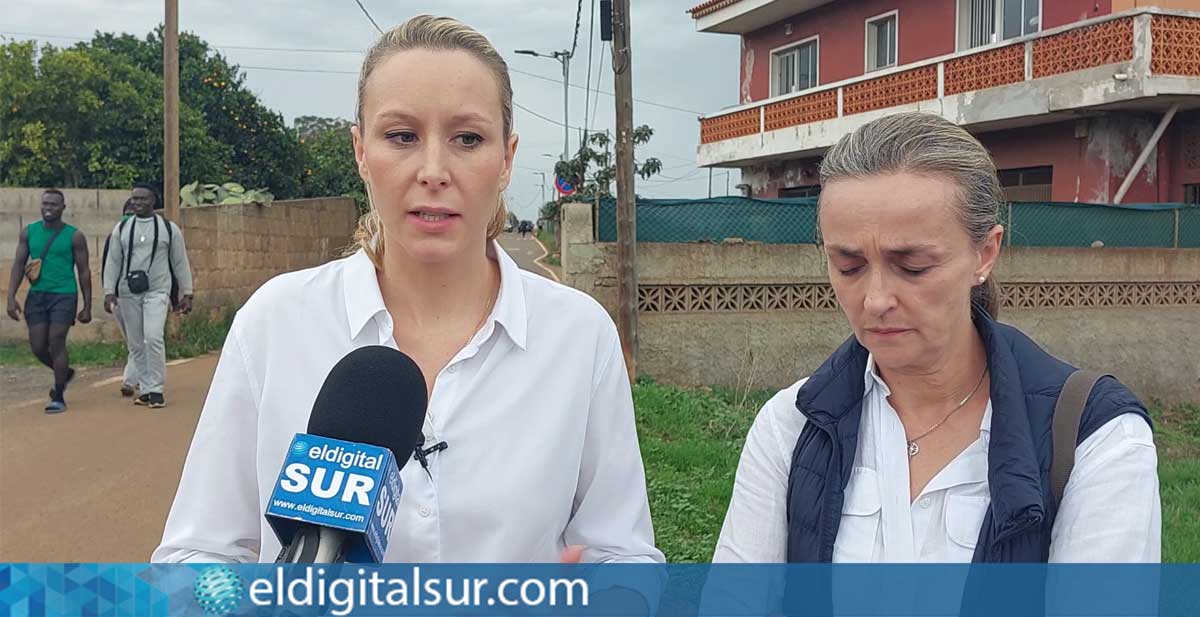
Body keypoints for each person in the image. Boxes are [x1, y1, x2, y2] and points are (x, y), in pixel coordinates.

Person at [152, 15, 662, 564]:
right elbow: (196, 557)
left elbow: (622, 553)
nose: (434, 170)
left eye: (468, 138)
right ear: (361, 152)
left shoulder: (579, 336)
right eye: (402, 136)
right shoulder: (275, 323)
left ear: (507, 158)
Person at [713, 113, 1160, 563]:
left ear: (984, 254)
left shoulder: (1096, 439)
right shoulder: (792, 427)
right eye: (848, 266)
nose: (875, 300)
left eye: (913, 267)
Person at [102, 183, 194, 409]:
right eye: (134, 199)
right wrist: (108, 291)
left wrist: (187, 292)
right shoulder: (122, 229)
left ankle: (156, 388)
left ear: (154, 201)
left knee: (153, 337)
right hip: (127, 291)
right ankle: (145, 387)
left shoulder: (168, 229)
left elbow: (180, 261)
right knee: (135, 343)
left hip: (157, 290)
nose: (138, 203)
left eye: (143, 199)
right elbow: (112, 261)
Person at [6, 189, 93, 413]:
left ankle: (58, 394)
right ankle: (64, 372)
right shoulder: (29, 232)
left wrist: (87, 306)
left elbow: (84, 271)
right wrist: (11, 296)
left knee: (56, 340)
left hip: (64, 294)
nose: (49, 208)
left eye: (54, 205)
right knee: (37, 346)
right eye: (45, 203)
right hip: (37, 295)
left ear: (63, 208)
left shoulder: (74, 236)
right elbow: (18, 264)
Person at [101, 198, 139, 397]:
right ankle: (135, 379)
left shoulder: (153, 235)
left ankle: (134, 379)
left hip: (135, 297)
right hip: (124, 297)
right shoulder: (117, 236)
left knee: (138, 340)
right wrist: (110, 294)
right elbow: (109, 266)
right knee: (138, 340)